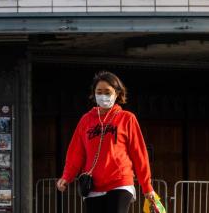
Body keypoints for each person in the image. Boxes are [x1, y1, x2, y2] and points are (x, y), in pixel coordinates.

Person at [56, 71, 156, 213]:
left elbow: (139, 154)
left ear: (117, 93)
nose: (103, 96)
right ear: (94, 94)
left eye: (107, 92)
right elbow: (76, 152)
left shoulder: (127, 118)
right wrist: (66, 176)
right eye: (99, 92)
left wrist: (147, 187)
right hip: (93, 185)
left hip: (120, 182)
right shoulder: (86, 120)